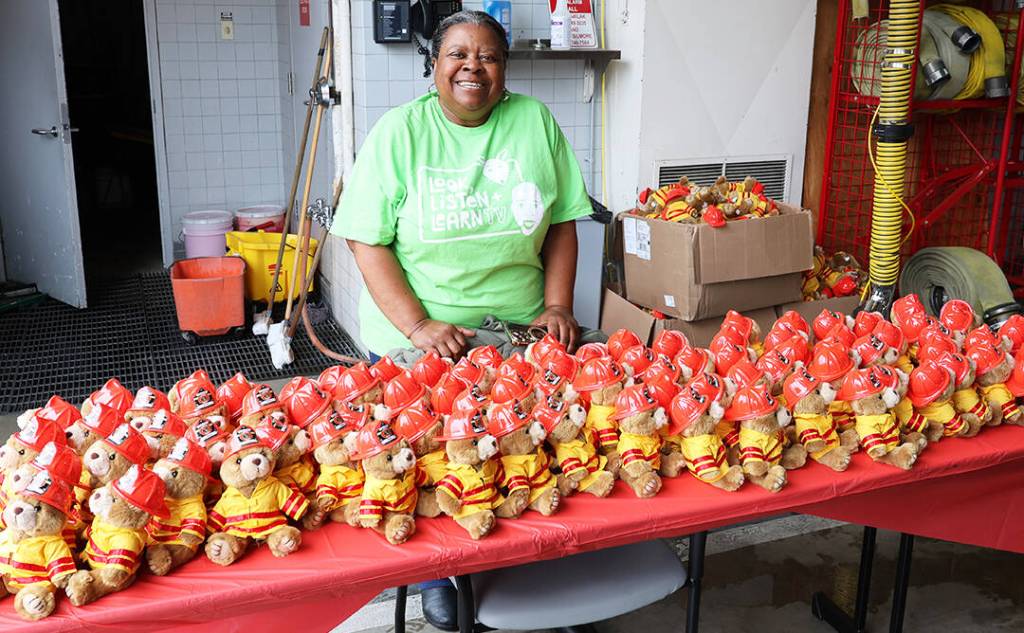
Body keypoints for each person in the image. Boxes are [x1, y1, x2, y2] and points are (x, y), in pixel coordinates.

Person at [330, 10, 595, 631]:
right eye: (457, 54)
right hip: (419, 341)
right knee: (427, 461)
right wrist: (419, 328)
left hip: (520, 332)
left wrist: (558, 305)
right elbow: (366, 241)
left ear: (505, 70)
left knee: (525, 452)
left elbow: (561, 223)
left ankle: (528, 563)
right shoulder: (401, 132)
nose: (472, 66)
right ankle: (441, 573)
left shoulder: (534, 122)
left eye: (488, 56)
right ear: (434, 67)